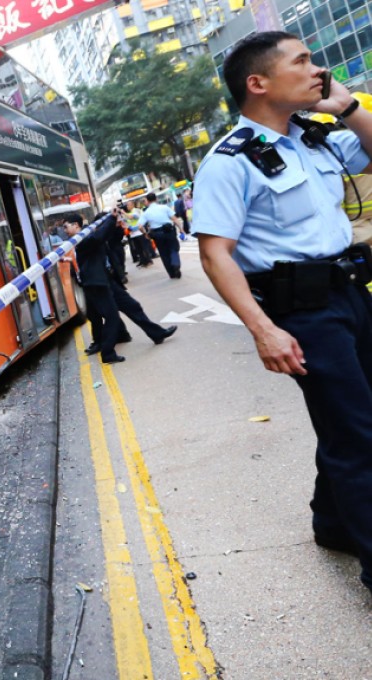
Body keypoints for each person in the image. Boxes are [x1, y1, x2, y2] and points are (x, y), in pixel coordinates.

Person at [192, 31, 372, 596]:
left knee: (351, 420)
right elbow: (214, 252)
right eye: (303, 61)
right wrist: (263, 329)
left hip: (353, 292)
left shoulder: (315, 138)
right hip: (304, 310)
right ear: (258, 83)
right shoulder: (228, 161)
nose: (317, 70)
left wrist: (347, 108)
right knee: (358, 435)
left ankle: (332, 522)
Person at [64, 212, 176, 363]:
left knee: (133, 306)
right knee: (112, 318)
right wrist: (110, 218)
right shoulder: (81, 239)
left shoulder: (92, 234)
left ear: (76, 225)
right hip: (96, 284)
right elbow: (98, 238)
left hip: (107, 281)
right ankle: (107, 353)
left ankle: (157, 334)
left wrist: (115, 221)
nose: (64, 230)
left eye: (66, 226)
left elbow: (112, 235)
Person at [137, 191, 183, 278]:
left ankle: (172, 273)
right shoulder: (164, 207)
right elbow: (175, 219)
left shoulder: (146, 213)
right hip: (169, 231)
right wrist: (181, 229)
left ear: (148, 201)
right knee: (173, 249)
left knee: (163, 253)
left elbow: (140, 226)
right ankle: (176, 265)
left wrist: (145, 233)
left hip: (157, 234)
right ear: (156, 199)